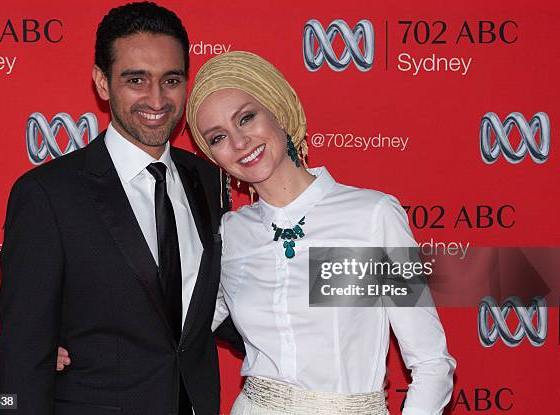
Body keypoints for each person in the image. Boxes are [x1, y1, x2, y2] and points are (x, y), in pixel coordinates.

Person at [0, 3, 242, 414]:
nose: (157, 99)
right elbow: (24, 359)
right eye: (136, 79)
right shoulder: (47, 196)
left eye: (172, 79)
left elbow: (219, 306)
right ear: (102, 82)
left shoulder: (211, 179)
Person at [184, 51, 457, 415]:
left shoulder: (369, 216)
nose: (239, 142)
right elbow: (183, 328)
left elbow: (431, 363)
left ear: (279, 112)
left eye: (246, 118)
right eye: (218, 137)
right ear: (212, 155)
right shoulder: (232, 233)